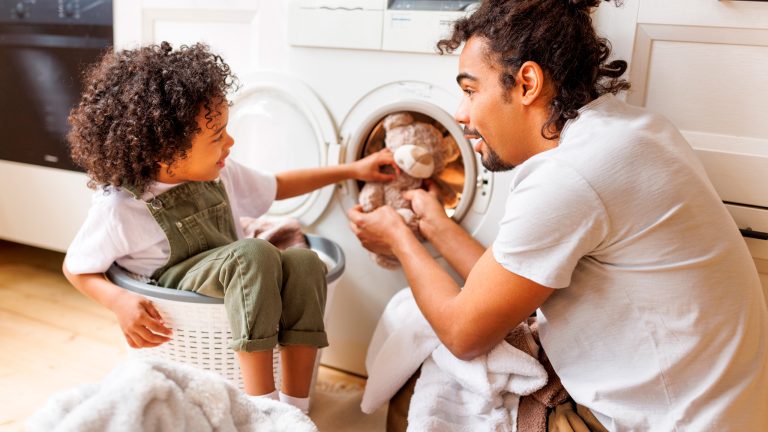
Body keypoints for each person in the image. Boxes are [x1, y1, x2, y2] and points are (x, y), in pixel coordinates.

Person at [348, 0, 768, 430]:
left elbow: (463, 334)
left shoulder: (569, 177)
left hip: (660, 422)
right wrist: (433, 222)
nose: (460, 113)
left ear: (527, 82)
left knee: (422, 352)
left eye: (471, 90)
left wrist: (399, 239)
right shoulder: (630, 132)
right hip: (720, 410)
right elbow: (507, 285)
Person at [62, 42, 395, 414]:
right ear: (166, 155)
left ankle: (295, 409)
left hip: (245, 282)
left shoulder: (221, 174)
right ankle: (261, 411)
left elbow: (279, 184)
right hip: (182, 300)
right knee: (252, 254)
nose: (230, 143)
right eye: (217, 136)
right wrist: (118, 300)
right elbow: (76, 267)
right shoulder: (121, 209)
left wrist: (352, 170)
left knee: (304, 262)